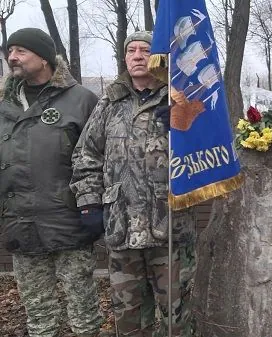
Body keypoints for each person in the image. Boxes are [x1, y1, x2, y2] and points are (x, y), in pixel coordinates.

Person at [70, 31, 197, 337]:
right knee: (128, 321)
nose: (138, 56)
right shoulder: (109, 103)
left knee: (177, 321)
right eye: (131, 50)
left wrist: (185, 124)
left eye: (145, 50)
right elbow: (86, 155)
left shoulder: (180, 98)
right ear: (125, 58)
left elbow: (208, 154)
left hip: (169, 229)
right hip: (122, 230)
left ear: (158, 58)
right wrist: (88, 203)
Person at [0, 28, 104, 337]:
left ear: (44, 57)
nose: (11, 57)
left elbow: (100, 156)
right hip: (21, 223)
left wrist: (93, 206)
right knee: (38, 314)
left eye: (20, 50)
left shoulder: (81, 100)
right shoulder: (4, 104)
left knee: (83, 313)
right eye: (9, 51)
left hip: (69, 222)